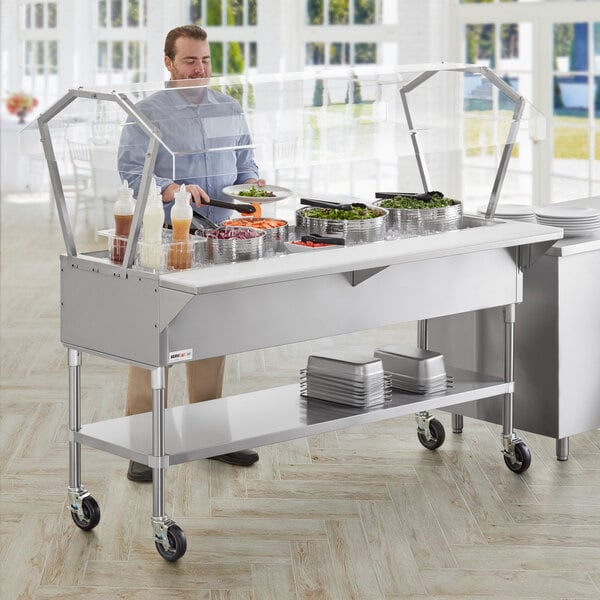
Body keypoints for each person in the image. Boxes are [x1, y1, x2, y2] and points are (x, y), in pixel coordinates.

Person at [118, 25, 261, 482]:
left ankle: (209, 436)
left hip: (220, 237)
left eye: (204, 61)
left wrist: (254, 184)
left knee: (211, 335)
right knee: (150, 338)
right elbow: (127, 171)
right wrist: (171, 188)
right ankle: (141, 446)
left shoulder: (230, 107)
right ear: (168, 63)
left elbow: (247, 165)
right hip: (162, 239)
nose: (199, 70)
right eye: (188, 62)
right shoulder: (146, 112)